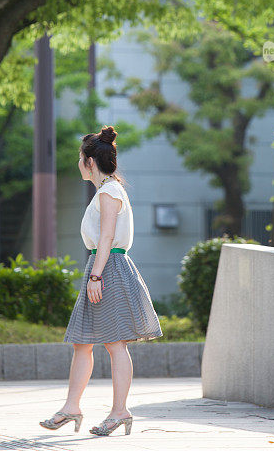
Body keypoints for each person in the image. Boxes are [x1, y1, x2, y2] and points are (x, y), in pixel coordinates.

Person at [39, 125, 163, 437]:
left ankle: (120, 411)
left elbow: (107, 237)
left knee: (114, 343)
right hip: (103, 265)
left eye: (80, 158)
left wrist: (96, 274)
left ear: (90, 162)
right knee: (83, 342)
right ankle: (72, 407)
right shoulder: (106, 191)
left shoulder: (109, 192)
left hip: (108, 267)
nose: (78, 163)